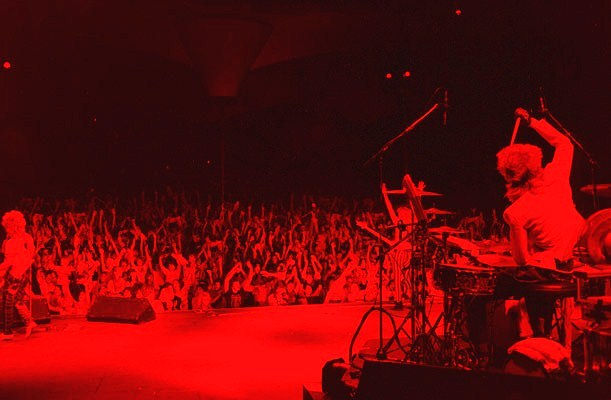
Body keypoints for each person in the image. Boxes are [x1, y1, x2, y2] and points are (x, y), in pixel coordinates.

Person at [496, 107, 585, 337]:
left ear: (509, 176)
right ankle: (540, 331)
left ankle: (529, 334)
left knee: (497, 281)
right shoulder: (557, 175)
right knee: (536, 270)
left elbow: (521, 259)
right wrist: (532, 121)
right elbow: (564, 143)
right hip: (572, 262)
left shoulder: (515, 212)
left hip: (549, 271)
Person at [1, 210, 37, 340]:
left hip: (15, 276)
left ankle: (7, 332)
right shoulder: (26, 238)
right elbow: (31, 255)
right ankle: (29, 321)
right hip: (23, 275)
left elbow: (8, 263)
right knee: (16, 301)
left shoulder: (12, 242)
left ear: (12, 226)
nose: (6, 230)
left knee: (8, 301)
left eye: (7, 227)